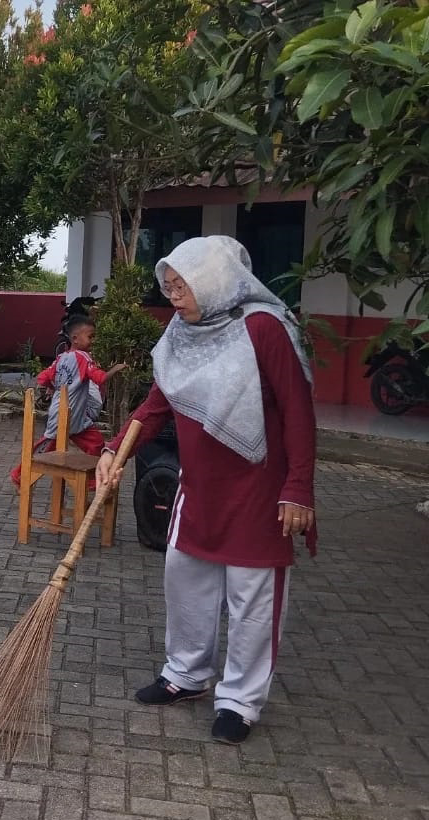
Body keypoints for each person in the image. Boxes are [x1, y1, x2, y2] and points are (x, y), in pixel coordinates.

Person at [97, 235, 316, 746]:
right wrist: (114, 448)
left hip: (260, 490)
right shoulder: (180, 331)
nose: (174, 296)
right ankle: (186, 675)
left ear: (215, 281)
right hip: (198, 487)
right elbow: (157, 403)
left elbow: (299, 412)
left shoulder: (263, 328)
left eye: (183, 285)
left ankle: (239, 702)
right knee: (185, 582)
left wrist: (298, 487)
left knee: (251, 600)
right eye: (169, 285)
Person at [9, 316, 125, 486]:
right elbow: (100, 378)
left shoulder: (61, 358)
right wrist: (115, 369)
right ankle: (19, 477)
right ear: (75, 339)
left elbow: (43, 377)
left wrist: (51, 387)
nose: (94, 340)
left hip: (74, 416)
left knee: (96, 443)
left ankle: (93, 482)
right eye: (91, 336)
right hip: (65, 417)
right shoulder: (84, 358)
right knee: (45, 450)